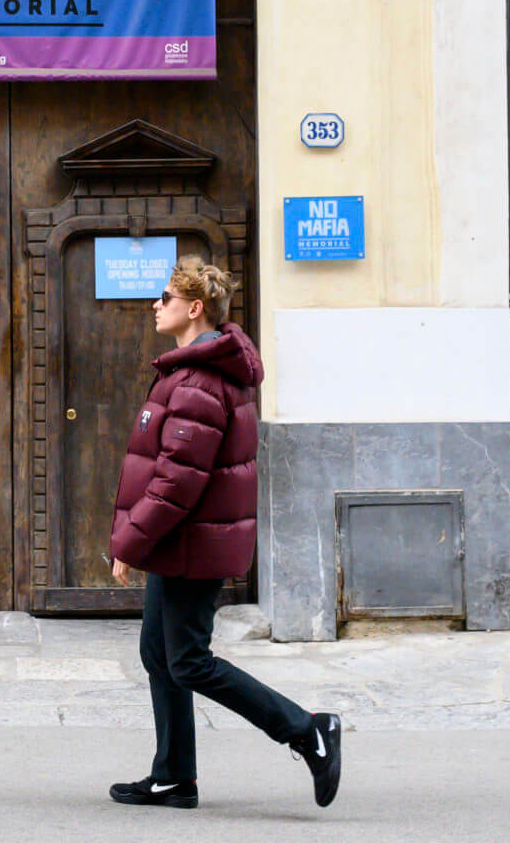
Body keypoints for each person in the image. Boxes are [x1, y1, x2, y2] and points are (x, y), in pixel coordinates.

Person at [107, 257, 342, 811]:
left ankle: (308, 730)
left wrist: (129, 543)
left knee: (187, 659)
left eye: (164, 297)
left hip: (194, 541)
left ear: (194, 308)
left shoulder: (199, 382)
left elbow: (175, 484)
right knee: (159, 654)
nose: (155, 305)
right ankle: (173, 777)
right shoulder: (188, 373)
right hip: (182, 542)